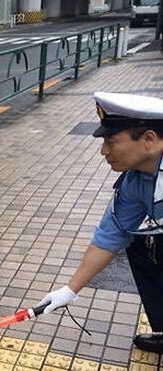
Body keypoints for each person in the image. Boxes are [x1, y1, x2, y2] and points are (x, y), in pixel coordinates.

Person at [39, 92, 163, 352]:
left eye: (111, 141)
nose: (103, 151)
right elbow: (110, 236)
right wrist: (69, 291)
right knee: (142, 246)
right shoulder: (137, 179)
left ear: (149, 140)